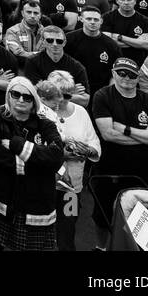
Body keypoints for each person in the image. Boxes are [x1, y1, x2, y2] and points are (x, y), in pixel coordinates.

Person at [0, 75, 65, 251]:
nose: (21, 99)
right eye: (16, 94)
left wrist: (18, 145)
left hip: (35, 202)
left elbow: (56, 158)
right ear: (8, 95)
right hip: (1, 198)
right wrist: (39, 163)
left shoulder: (46, 125)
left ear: (34, 102)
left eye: (27, 96)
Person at [88, 58, 148, 248]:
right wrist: (145, 135)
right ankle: (101, 248)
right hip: (108, 168)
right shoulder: (103, 96)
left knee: (141, 217)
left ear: (138, 77)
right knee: (102, 216)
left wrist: (125, 129)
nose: (126, 78)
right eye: (121, 73)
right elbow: (108, 134)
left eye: (131, 75)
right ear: (114, 73)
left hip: (141, 170)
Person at [36, 72, 101, 252]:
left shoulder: (80, 112)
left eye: (67, 95)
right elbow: (34, 150)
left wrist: (87, 150)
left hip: (72, 187)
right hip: (43, 185)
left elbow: (94, 143)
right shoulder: (39, 113)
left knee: (68, 227)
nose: (63, 99)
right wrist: (63, 155)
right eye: (59, 94)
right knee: (40, 230)